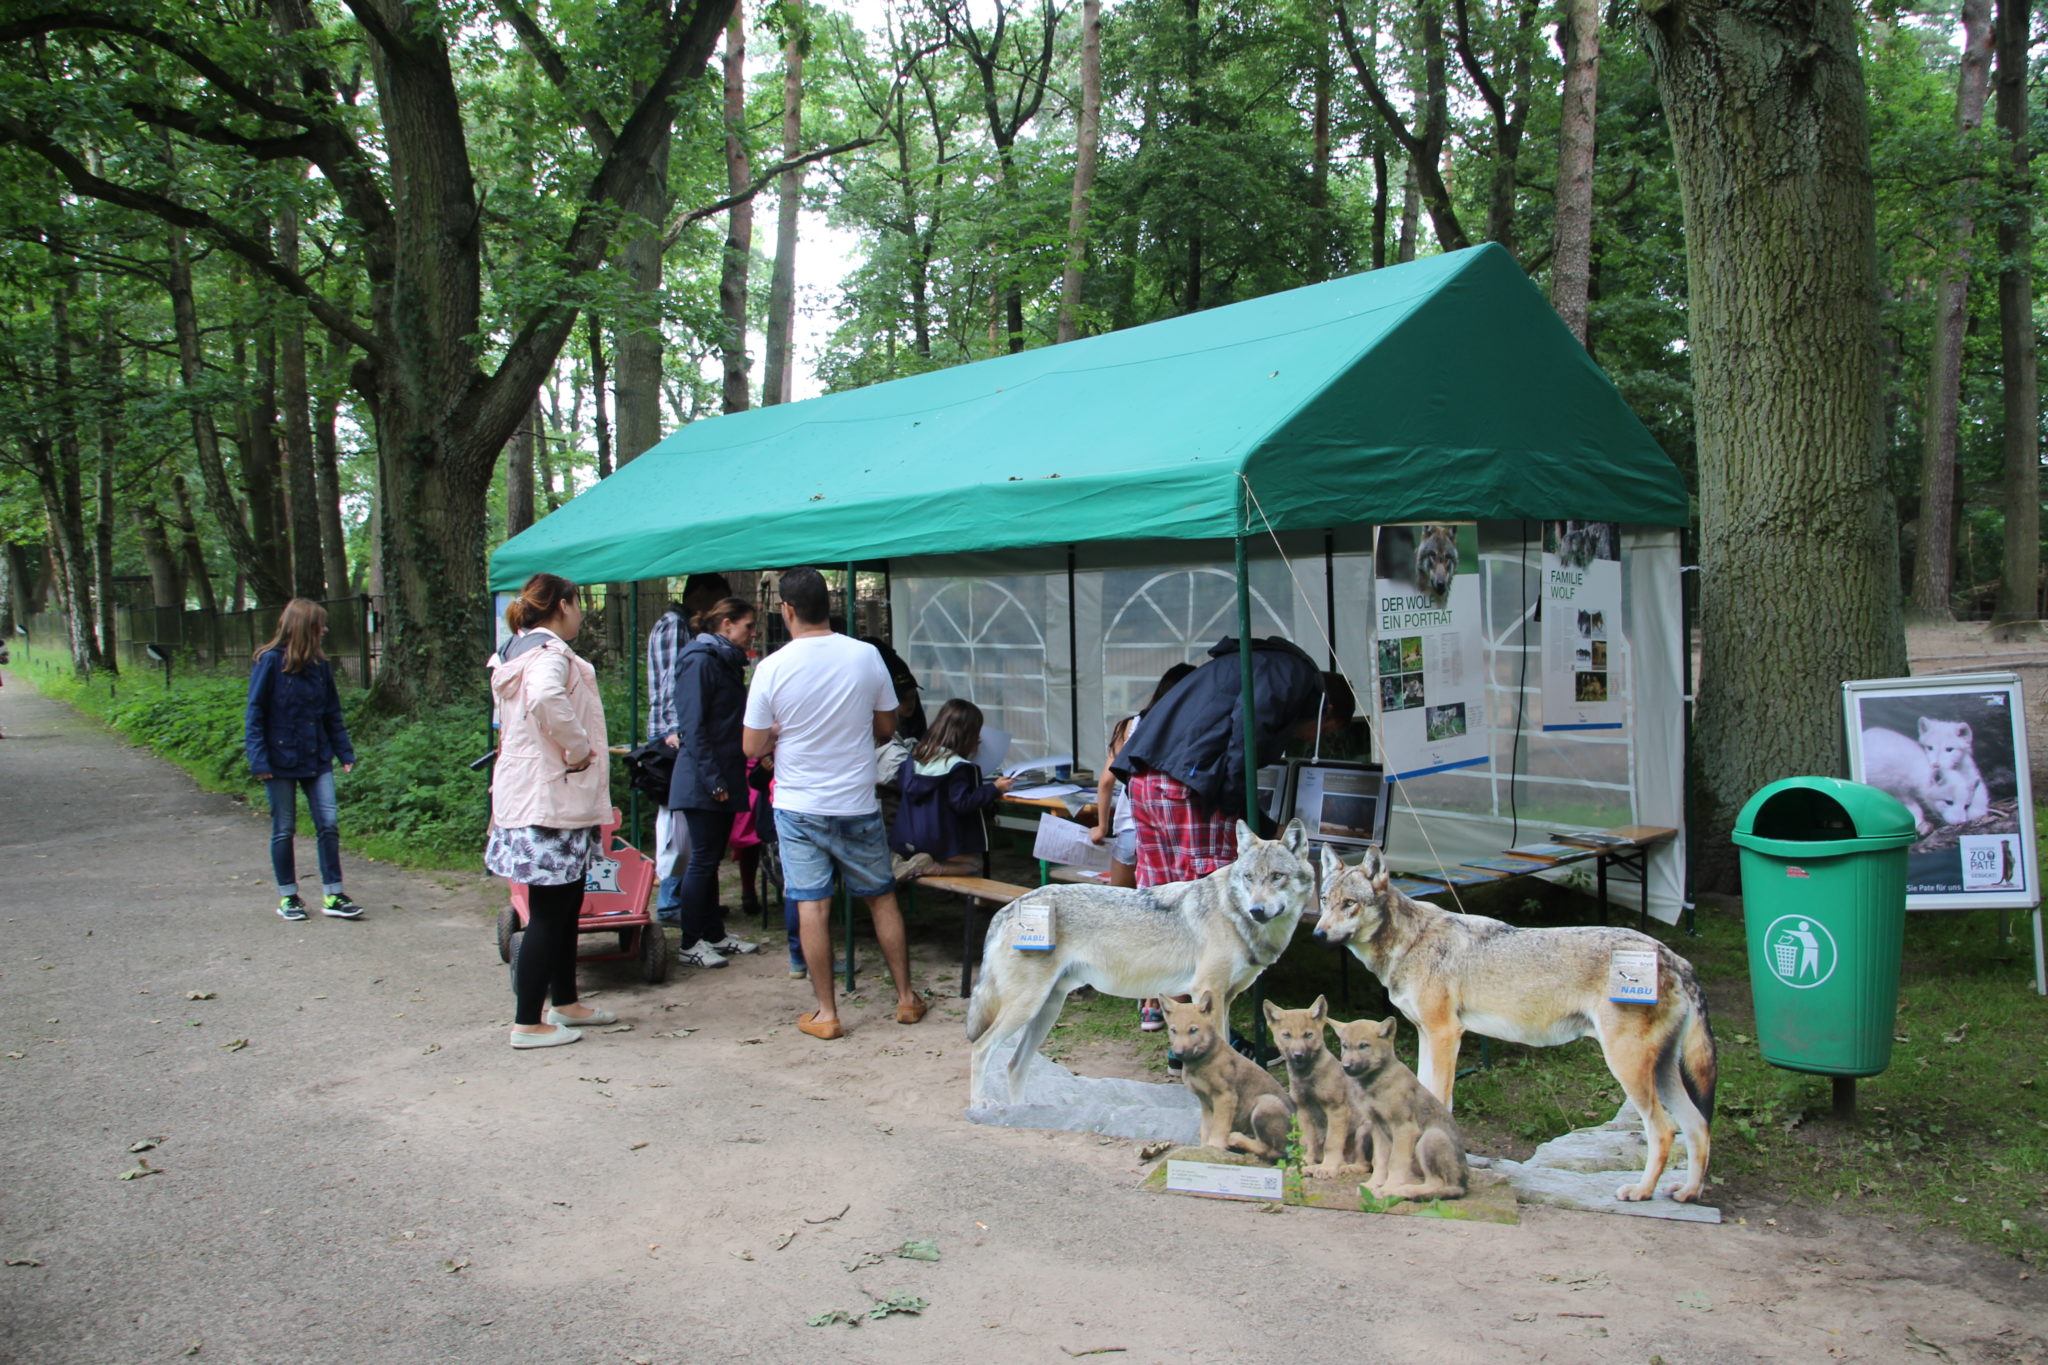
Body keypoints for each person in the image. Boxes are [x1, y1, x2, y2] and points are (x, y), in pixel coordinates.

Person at [742, 566, 927, 1039]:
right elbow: (888, 728)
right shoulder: (866, 656)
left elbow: (751, 747)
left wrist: (780, 733)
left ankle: (827, 1014)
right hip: (856, 801)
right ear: (830, 605)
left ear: (785, 610)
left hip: (798, 804)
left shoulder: (772, 666)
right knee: (881, 898)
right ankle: (906, 999)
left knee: (812, 905)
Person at [488, 573, 618, 1050]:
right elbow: (546, 699)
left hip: (538, 797)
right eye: (579, 604)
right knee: (547, 912)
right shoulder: (548, 655)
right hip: (549, 801)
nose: (582, 613)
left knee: (563, 907)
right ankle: (527, 1021)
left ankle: (565, 1001)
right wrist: (578, 748)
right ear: (563, 605)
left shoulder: (515, 652)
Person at [1112, 636, 1354, 889]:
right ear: (1326, 709)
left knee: (1158, 894)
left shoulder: (1260, 664)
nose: (1314, 737)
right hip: (1186, 784)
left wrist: (1265, 826)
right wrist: (1236, 815)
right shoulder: (1293, 674)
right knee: (1210, 897)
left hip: (1144, 778)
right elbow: (1247, 738)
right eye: (1325, 730)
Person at [1091, 662, 1196, 1029]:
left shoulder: (1130, 726)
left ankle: (1137, 991)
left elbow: (1106, 782)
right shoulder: (1187, 724)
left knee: (1129, 913)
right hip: (1166, 830)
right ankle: (1159, 997)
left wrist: (1101, 824)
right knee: (1168, 918)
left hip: (1128, 828)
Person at [244, 598, 362, 921]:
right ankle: (288, 897)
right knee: (284, 828)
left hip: (317, 757)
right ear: (304, 628)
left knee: (329, 824)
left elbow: (331, 714)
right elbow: (254, 715)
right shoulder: (269, 662)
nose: (325, 630)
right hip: (278, 760)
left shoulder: (320, 667)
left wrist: (344, 752)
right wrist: (260, 761)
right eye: (319, 625)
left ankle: (334, 894)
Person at [666, 596, 762, 968]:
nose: (752, 633)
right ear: (725, 625)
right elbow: (693, 726)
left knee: (711, 859)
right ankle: (691, 942)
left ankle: (714, 935)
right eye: (747, 626)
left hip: (723, 774)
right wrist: (713, 779)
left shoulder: (724, 661)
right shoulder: (700, 662)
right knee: (702, 861)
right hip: (703, 780)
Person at [647, 573, 731, 926]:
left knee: (689, 832)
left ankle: (694, 905)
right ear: (699, 596)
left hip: (683, 735)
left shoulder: (684, 628)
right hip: (675, 739)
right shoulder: (675, 626)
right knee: (676, 827)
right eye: (716, 600)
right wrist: (675, 732)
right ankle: (671, 903)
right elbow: (672, 685)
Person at [890, 698, 1016, 879]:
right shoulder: (957, 767)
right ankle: (930, 867)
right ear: (967, 735)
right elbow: (963, 802)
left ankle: (906, 861)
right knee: (974, 864)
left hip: (908, 837)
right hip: (937, 841)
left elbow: (903, 785)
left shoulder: (917, 755)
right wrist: (994, 788)